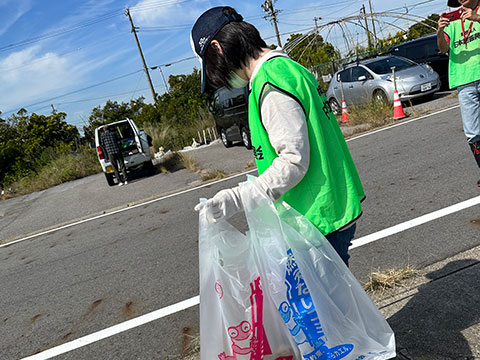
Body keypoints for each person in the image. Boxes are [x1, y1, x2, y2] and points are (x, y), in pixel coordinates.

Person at [191, 6, 365, 266]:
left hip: (316, 219)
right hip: (333, 206)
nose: (222, 81)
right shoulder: (290, 68)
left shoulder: (269, 82)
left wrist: (237, 198)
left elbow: (293, 160)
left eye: (213, 68)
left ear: (218, 49)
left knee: (320, 305)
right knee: (334, 301)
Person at [437, 0, 480, 186]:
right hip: (463, 79)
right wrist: (439, 31)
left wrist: (477, 18)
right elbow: (443, 48)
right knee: (472, 132)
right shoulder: (452, 19)